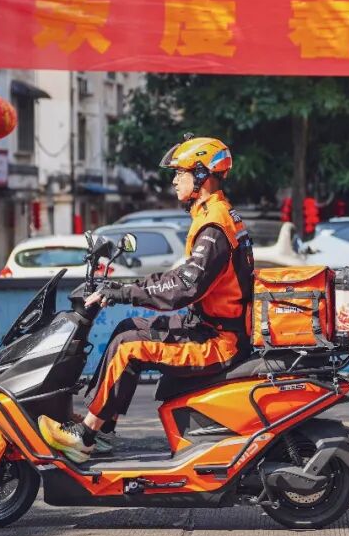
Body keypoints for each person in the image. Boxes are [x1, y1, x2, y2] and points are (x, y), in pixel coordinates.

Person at [38, 135, 255, 463]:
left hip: (219, 340)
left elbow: (183, 288)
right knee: (128, 327)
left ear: (201, 176)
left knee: (128, 346)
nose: (174, 180)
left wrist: (124, 292)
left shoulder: (214, 226)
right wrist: (124, 287)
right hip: (207, 324)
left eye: (180, 173)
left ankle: (86, 435)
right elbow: (178, 280)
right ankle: (103, 432)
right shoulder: (213, 216)